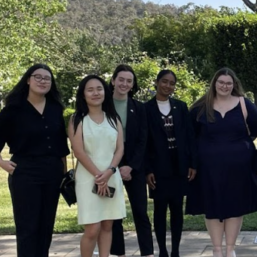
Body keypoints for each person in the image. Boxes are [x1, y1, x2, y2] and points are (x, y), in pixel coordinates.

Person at [0, 64, 69, 257]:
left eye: (47, 78)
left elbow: (60, 144)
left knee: (46, 225)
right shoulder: (14, 108)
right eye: (38, 77)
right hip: (25, 172)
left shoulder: (56, 108)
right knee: (27, 227)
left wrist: (64, 174)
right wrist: (1, 162)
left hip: (52, 172)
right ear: (28, 80)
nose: (42, 81)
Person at [188, 67, 257, 257]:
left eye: (228, 83)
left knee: (235, 206)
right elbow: (190, 134)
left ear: (234, 85)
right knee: (213, 207)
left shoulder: (244, 104)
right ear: (214, 83)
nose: (224, 86)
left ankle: (230, 249)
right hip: (208, 168)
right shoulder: (201, 106)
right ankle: (217, 249)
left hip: (239, 168)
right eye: (221, 82)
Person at [68, 75, 126, 257]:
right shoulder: (77, 119)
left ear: (105, 92)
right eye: (90, 89)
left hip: (111, 176)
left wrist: (109, 172)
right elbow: (79, 152)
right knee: (93, 228)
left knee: (108, 225)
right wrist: (99, 176)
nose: (95, 93)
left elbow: (119, 149)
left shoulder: (113, 118)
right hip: (88, 178)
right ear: (83, 94)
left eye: (99, 89)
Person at [145, 69, 196, 257]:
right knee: (159, 210)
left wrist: (193, 164)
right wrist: (147, 169)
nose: (168, 86)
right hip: (158, 168)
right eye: (164, 81)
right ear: (157, 82)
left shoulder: (181, 107)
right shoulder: (146, 109)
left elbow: (190, 137)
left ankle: (175, 250)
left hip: (179, 166)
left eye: (172, 83)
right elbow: (144, 141)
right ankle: (163, 251)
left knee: (177, 209)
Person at [108, 64, 154, 257]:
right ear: (113, 81)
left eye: (129, 81)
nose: (124, 84)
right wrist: (116, 166)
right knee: (114, 213)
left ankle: (148, 253)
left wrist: (131, 166)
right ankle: (118, 253)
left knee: (140, 212)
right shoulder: (103, 105)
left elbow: (144, 139)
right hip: (109, 164)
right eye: (121, 79)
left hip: (134, 164)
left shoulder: (139, 107)